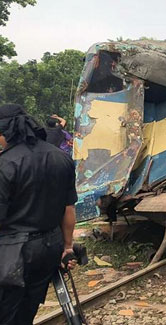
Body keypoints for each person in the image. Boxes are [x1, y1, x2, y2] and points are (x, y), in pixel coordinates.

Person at [0, 104, 78, 324]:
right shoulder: (60, 157)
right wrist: (68, 247)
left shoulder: (6, 164)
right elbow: (68, 209)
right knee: (26, 311)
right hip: (49, 248)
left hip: (13, 255)